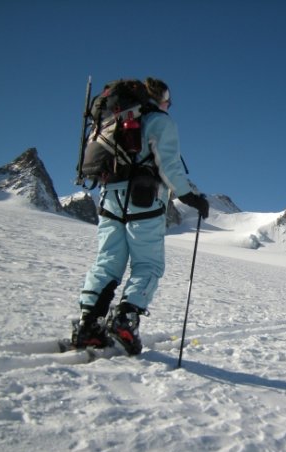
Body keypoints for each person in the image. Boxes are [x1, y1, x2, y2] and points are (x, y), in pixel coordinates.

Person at [73, 77, 209, 353]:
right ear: (160, 99)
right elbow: (168, 164)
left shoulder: (110, 121)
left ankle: (88, 326)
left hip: (109, 196)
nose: (168, 106)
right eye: (168, 101)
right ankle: (125, 320)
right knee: (148, 264)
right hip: (143, 199)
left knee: (108, 261)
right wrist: (190, 197)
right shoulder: (159, 120)